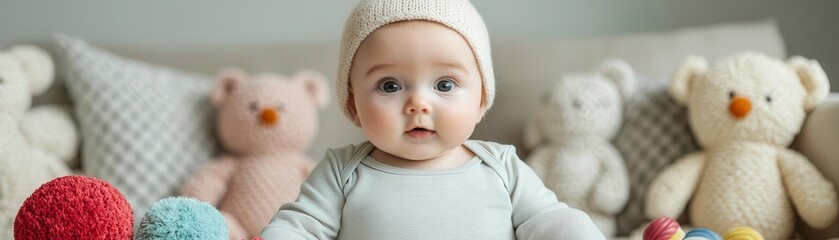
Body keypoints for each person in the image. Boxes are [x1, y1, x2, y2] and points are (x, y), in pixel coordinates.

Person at [260, 0, 606, 239]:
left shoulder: (502, 166)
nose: (417, 104)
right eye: (389, 85)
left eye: (444, 84)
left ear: (482, 96)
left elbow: (547, 219)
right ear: (352, 100)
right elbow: (299, 226)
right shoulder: (341, 171)